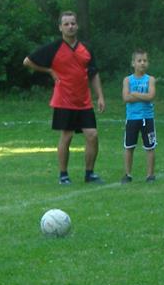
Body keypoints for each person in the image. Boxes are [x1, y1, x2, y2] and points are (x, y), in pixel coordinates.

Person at [23, 11, 105, 184]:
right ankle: (63, 175)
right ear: (60, 27)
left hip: (84, 101)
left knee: (92, 135)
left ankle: (89, 173)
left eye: (73, 23)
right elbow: (27, 61)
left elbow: (94, 73)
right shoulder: (53, 48)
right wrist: (49, 70)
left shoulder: (86, 48)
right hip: (64, 100)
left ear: (77, 26)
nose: (70, 27)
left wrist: (100, 96)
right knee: (67, 136)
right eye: (66, 24)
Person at [121, 49, 156, 183]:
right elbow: (126, 98)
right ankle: (127, 174)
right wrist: (143, 96)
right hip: (132, 118)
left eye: (145, 61)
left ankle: (150, 175)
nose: (142, 63)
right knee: (129, 146)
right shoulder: (127, 80)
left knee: (150, 147)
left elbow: (150, 96)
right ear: (133, 63)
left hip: (147, 118)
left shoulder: (150, 80)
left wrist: (134, 94)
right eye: (139, 61)